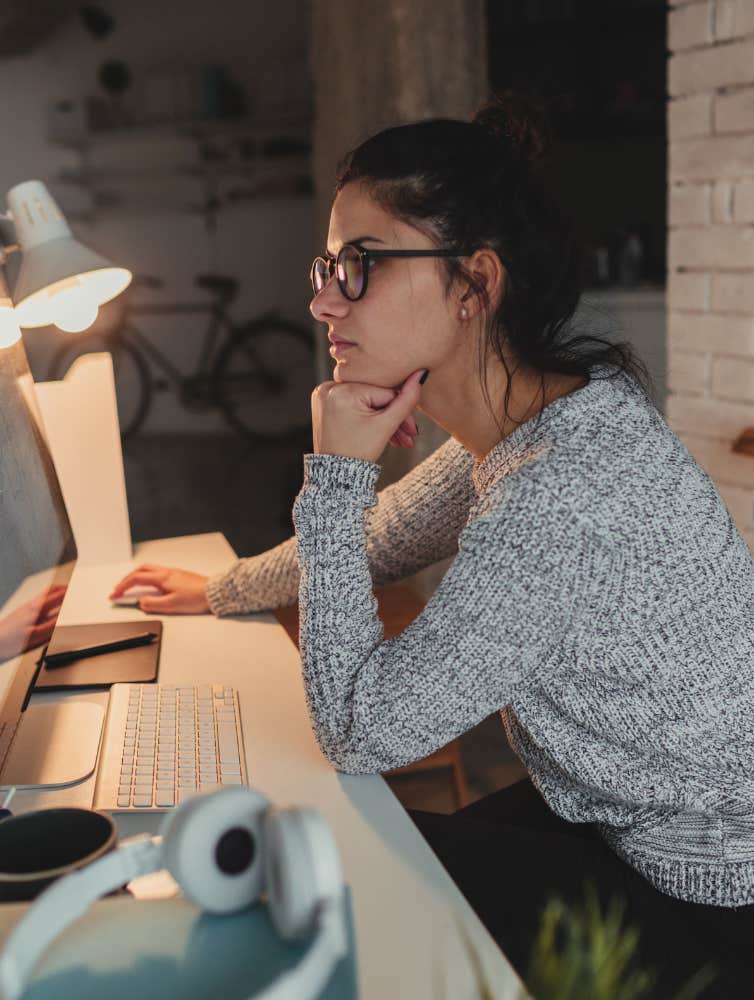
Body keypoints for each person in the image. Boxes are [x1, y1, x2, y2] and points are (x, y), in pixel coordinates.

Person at [111, 94, 754, 994]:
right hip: (619, 816)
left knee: (327, 889)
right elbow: (384, 538)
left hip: (699, 890)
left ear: (475, 284)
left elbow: (359, 729)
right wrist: (220, 589)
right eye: (328, 265)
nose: (325, 300)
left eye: (363, 265)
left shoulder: (561, 499)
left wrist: (334, 473)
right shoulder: (542, 417)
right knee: (329, 856)